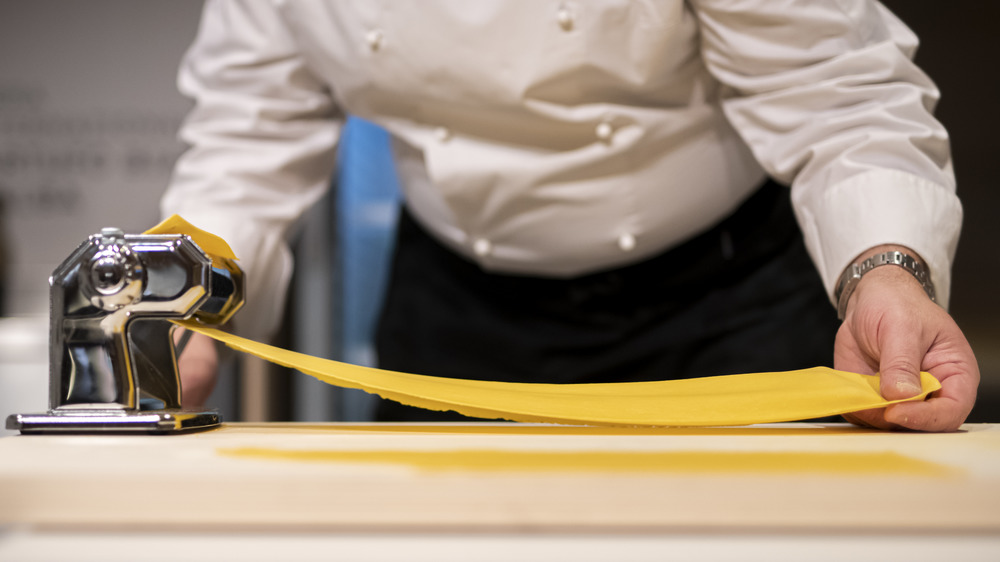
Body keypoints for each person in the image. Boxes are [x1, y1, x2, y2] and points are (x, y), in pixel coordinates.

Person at [164, 1, 979, 431]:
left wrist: (886, 266)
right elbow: (247, 138)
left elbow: (833, 90)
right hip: (458, 316)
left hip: (722, 306)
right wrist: (181, 299)